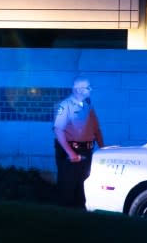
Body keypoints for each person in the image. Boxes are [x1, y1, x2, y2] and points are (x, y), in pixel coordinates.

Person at [53, 76, 105, 208]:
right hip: (70, 153)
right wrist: (71, 153)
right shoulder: (65, 106)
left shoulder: (88, 106)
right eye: (88, 87)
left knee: (83, 188)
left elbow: (96, 129)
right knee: (68, 189)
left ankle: (80, 217)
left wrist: (103, 148)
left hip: (87, 151)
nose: (90, 89)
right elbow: (59, 130)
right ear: (78, 90)